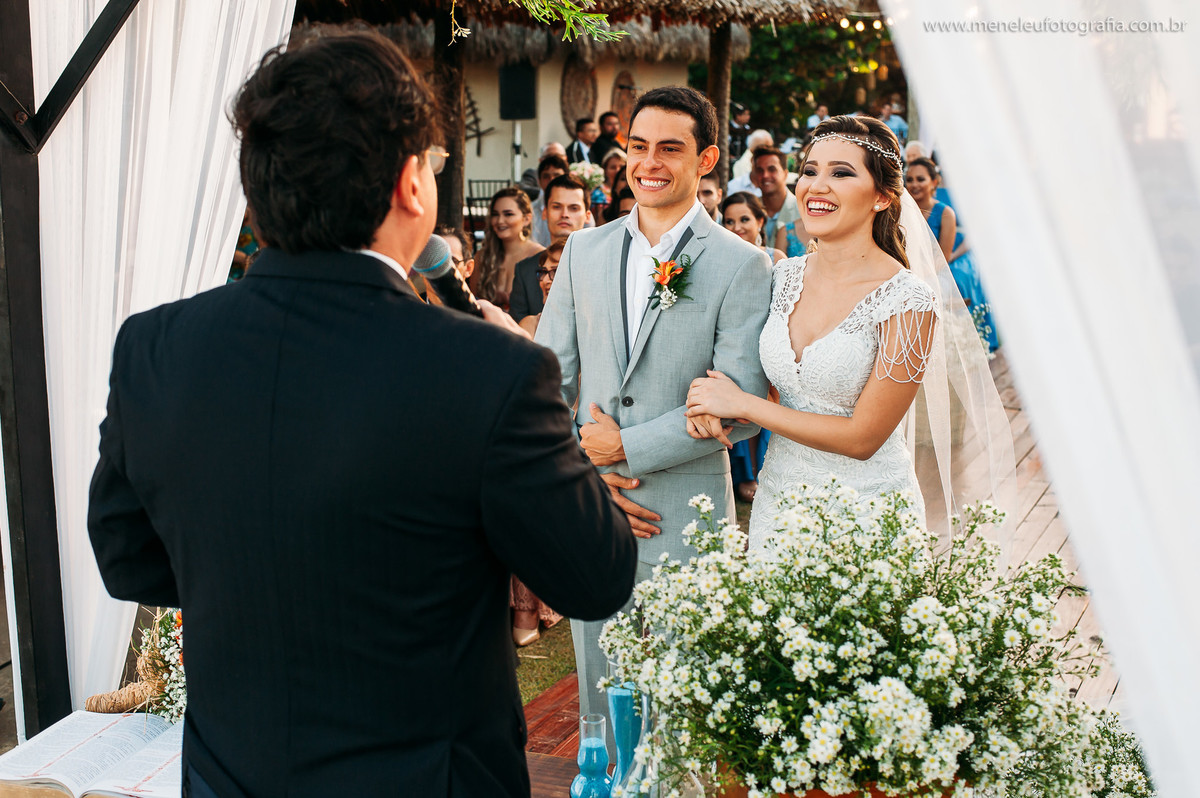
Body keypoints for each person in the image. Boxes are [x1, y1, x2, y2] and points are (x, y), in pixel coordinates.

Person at [87, 31, 636, 798]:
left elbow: (126, 556)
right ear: (412, 184)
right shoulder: (492, 369)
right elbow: (596, 575)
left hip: (234, 776)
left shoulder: (154, 347)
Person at [535, 85, 771, 741]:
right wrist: (584, 469)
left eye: (671, 148)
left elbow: (741, 404)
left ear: (707, 159)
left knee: (681, 722)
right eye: (638, 147)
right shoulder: (584, 252)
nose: (650, 163)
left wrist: (624, 449)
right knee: (602, 708)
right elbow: (544, 380)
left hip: (686, 520)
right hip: (593, 507)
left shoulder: (742, 264)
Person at [685, 115, 940, 548]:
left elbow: (863, 438)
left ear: (882, 197)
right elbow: (764, 387)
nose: (816, 186)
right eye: (809, 170)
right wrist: (716, 402)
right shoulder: (782, 276)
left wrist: (742, 402)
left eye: (841, 172)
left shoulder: (908, 300)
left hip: (867, 514)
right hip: (780, 504)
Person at [906, 157, 998, 351]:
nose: (914, 184)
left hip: (933, 272)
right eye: (910, 179)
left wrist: (916, 274)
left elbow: (943, 259)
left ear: (934, 182)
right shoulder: (902, 211)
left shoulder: (945, 213)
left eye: (920, 179)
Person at [510, 173, 589, 322]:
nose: (565, 214)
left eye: (573, 208)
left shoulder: (600, 267)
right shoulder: (525, 270)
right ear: (545, 212)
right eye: (557, 207)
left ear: (587, 215)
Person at [471, 186, 544, 309]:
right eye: (495, 214)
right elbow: (471, 304)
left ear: (526, 219)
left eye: (508, 214)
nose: (500, 221)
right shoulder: (482, 257)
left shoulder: (540, 256)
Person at [751, 145, 802, 245]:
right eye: (760, 170)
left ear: (785, 174)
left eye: (772, 169)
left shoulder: (801, 209)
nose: (765, 175)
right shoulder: (750, 209)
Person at [721, 192, 785, 264]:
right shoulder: (719, 258)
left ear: (760, 222)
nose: (737, 228)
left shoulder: (777, 258)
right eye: (730, 222)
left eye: (744, 220)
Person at [516, 240, 564, 337]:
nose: (545, 280)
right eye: (544, 272)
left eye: (555, 272)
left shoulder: (595, 323)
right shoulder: (531, 325)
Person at [530, 154, 568, 246]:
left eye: (557, 175)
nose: (551, 180)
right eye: (546, 176)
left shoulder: (579, 208)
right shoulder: (531, 210)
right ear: (539, 181)